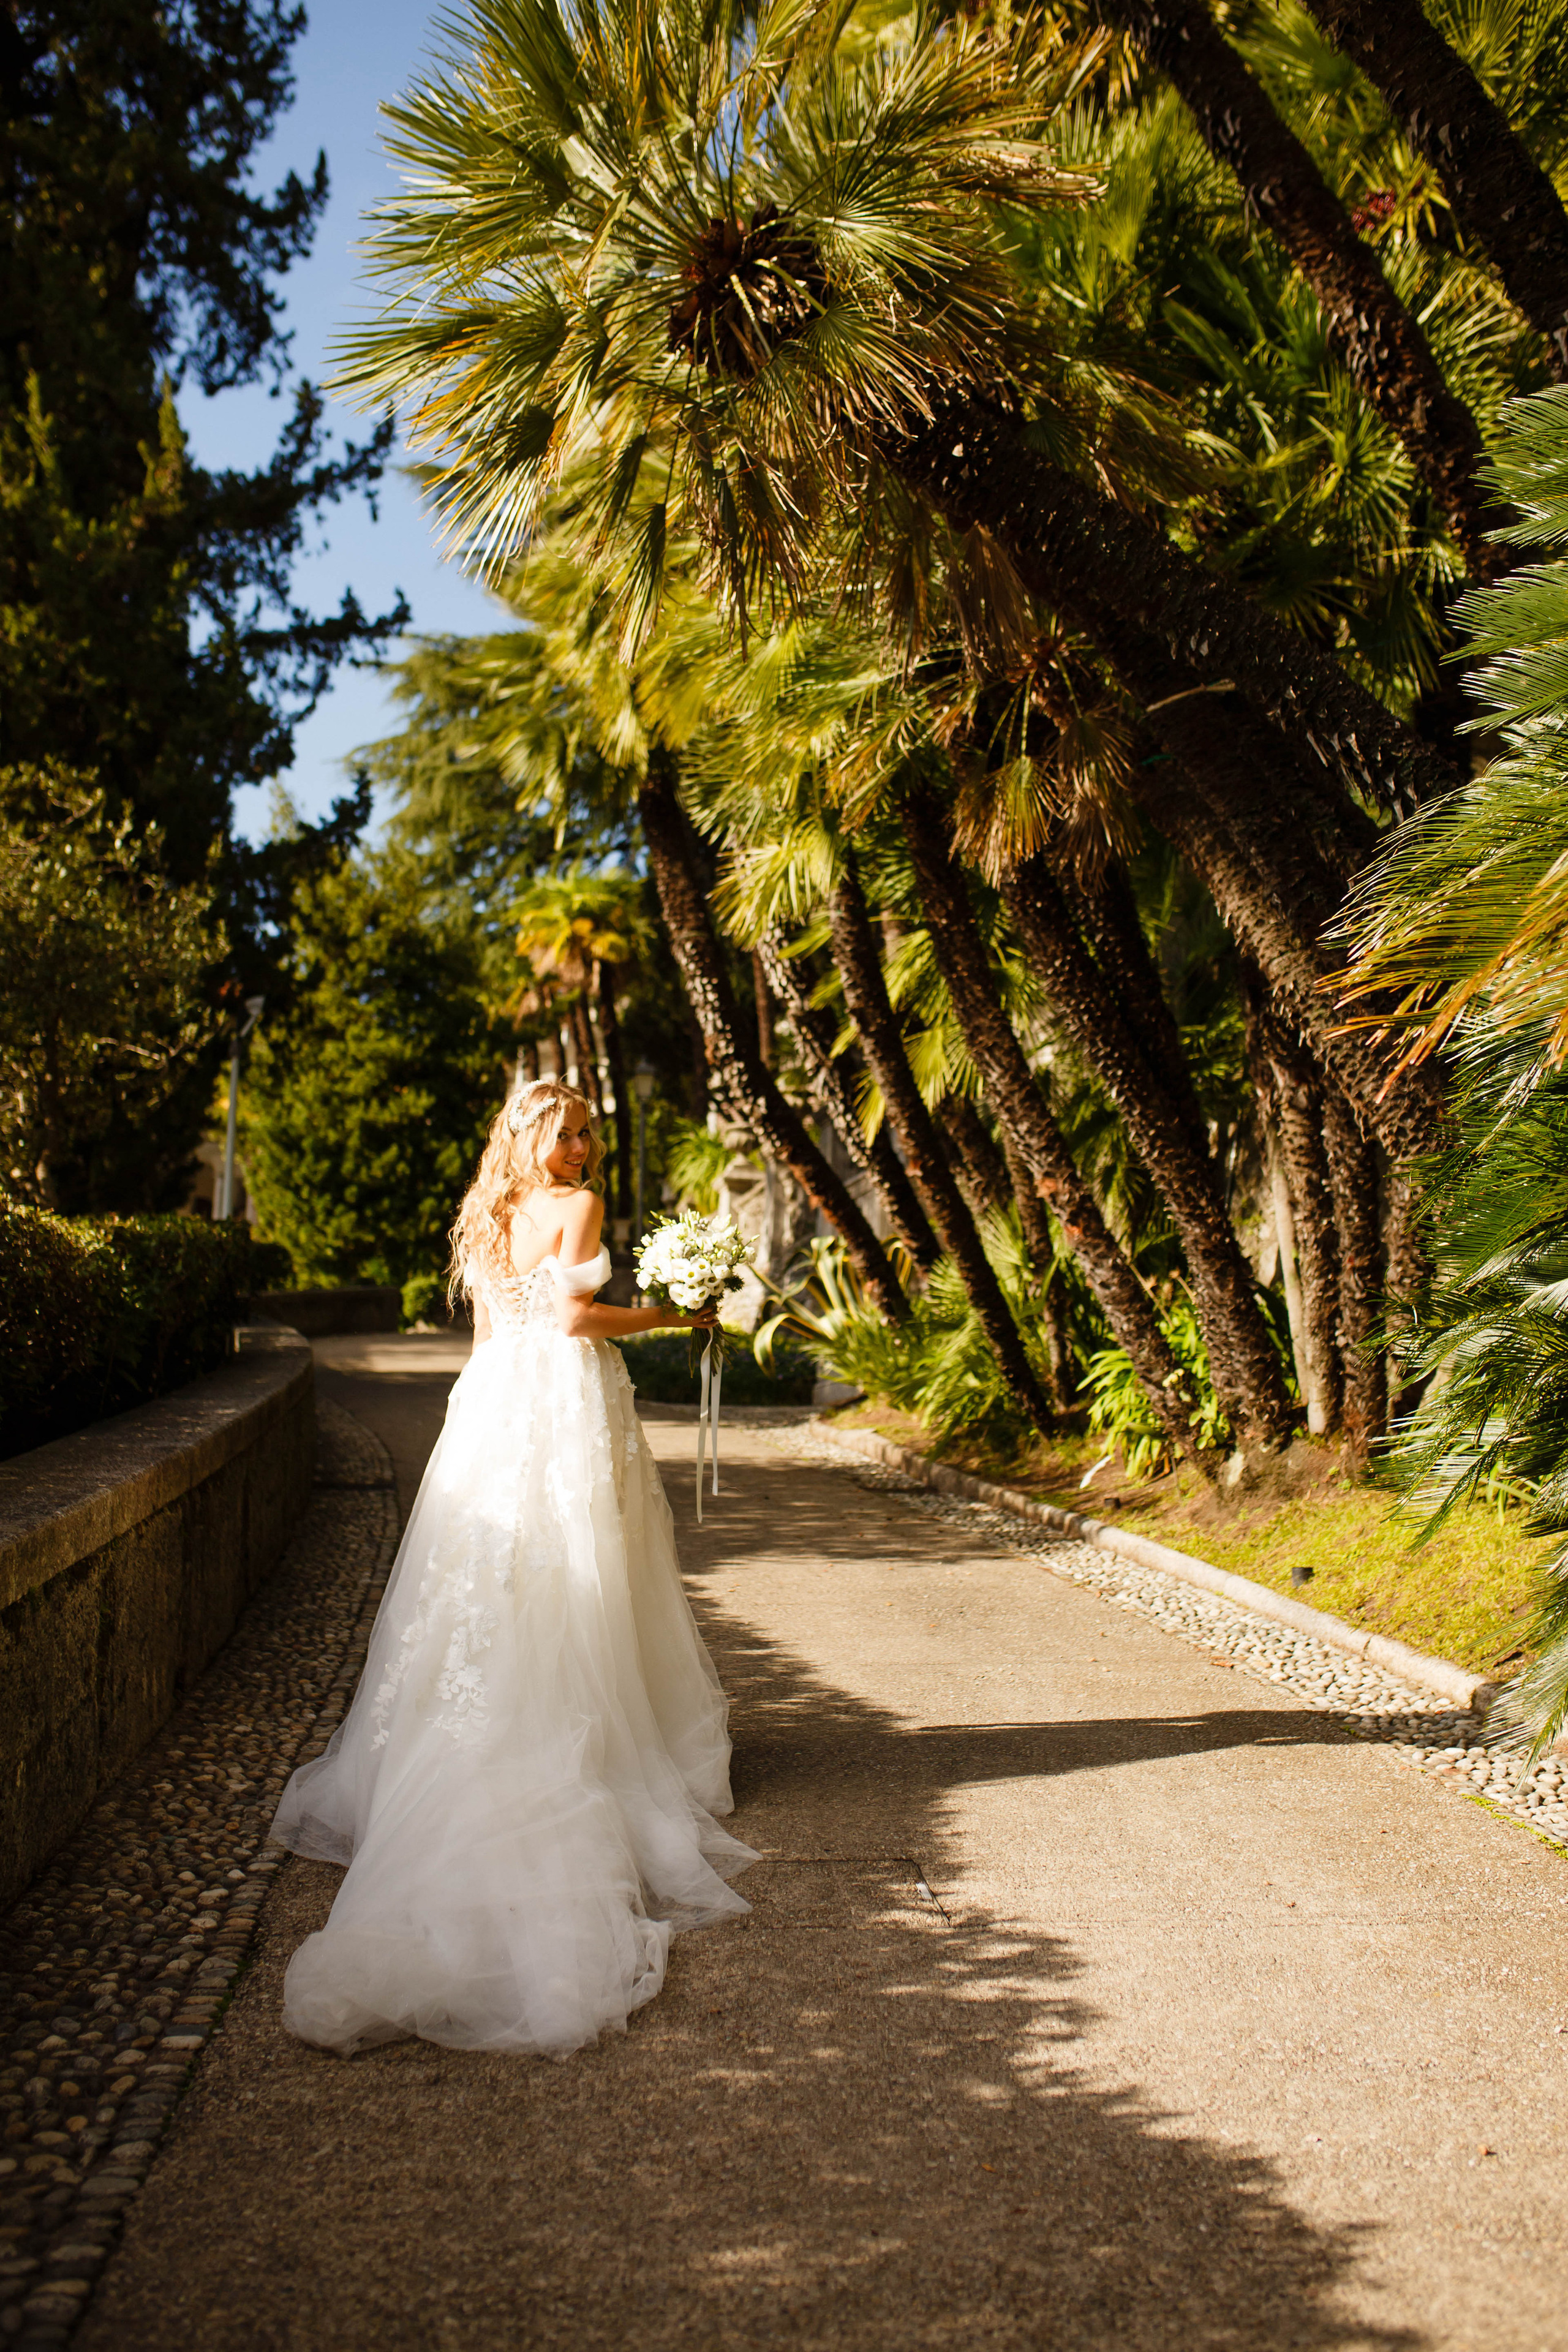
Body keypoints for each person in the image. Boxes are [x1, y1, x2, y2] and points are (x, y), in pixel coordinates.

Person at [271, 1078, 756, 2056]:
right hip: (565, 1402)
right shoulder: (576, 1210)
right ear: (533, 1134)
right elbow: (576, 1324)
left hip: (493, 1403)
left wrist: (477, 1417)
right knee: (575, 1566)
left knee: (495, 1579)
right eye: (568, 1133)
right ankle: (584, 1740)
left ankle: (477, 1732)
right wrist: (667, 1316)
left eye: (588, 1137)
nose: (583, 1152)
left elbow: (493, 1336)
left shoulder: (487, 1209)